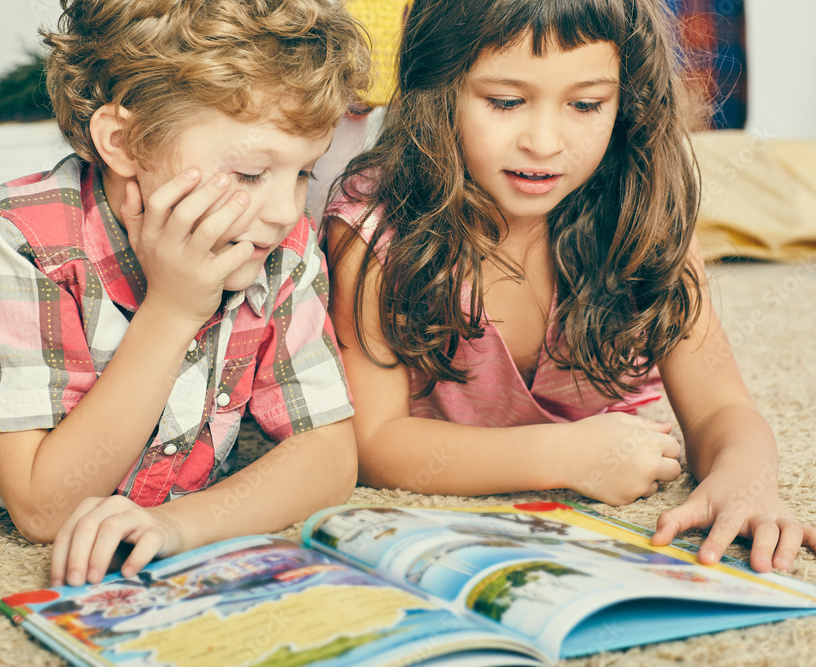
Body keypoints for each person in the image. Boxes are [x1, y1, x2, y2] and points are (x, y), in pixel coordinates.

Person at [0, 0, 369, 588]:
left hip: (41, 325)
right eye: (248, 173)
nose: (285, 211)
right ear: (124, 141)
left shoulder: (279, 242)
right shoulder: (16, 236)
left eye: (303, 174)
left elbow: (331, 456)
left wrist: (175, 525)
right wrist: (173, 310)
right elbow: (44, 508)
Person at [323, 0, 816, 574]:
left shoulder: (644, 212)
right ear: (438, 91)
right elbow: (375, 442)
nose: (545, 140)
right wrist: (563, 456)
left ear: (624, 100)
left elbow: (722, 408)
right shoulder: (376, 226)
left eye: (585, 104)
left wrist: (744, 478)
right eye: (505, 102)